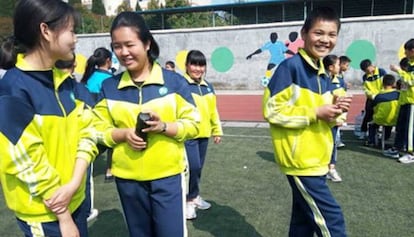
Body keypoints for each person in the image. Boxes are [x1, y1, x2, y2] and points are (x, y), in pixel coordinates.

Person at [92, 12, 200, 237]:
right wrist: (123, 134)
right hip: (128, 181)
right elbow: (96, 130)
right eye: (117, 46)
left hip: (168, 178)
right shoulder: (109, 87)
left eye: (130, 44)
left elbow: (194, 124)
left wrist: (164, 127)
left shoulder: (174, 82)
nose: (124, 52)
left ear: (147, 43)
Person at [0, 0, 99, 236]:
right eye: (71, 31)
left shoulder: (65, 82)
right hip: (45, 213)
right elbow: (25, 159)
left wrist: (75, 184)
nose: (76, 39)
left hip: (75, 200)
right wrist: (63, 216)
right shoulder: (14, 88)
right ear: (45, 31)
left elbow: (88, 132)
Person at [263, 7, 349, 236]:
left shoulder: (323, 72)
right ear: (304, 33)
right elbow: (271, 110)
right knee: (332, 222)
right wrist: (315, 112)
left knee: (302, 223)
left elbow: (326, 115)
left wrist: (337, 112)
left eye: (331, 35)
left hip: (319, 157)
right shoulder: (289, 68)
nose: (325, 40)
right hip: (301, 161)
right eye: (318, 33)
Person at [183, 50, 223, 220]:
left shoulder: (208, 86)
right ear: (186, 66)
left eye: (201, 65)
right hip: (188, 134)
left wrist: (217, 130)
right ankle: (187, 201)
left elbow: (213, 110)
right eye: (194, 64)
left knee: (198, 168)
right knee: (192, 167)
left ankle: (194, 196)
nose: (198, 68)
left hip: (204, 135)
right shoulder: (181, 85)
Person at [80, 47, 114, 181]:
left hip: (88, 116)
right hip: (103, 117)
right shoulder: (109, 80)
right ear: (108, 61)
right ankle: (110, 171)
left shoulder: (89, 77)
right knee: (111, 141)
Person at [389, 39, 414, 163]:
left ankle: (411, 153)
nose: (405, 53)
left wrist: (399, 71)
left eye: (406, 51)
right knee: (401, 126)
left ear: (412, 51)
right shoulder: (410, 64)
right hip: (405, 100)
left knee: (410, 129)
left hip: (412, 101)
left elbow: (411, 81)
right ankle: (397, 148)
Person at [323, 54, 346, 182]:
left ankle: (331, 169)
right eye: (338, 64)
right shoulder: (320, 80)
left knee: (332, 144)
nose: (340, 67)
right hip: (321, 120)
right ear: (331, 67)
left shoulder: (340, 81)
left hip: (334, 121)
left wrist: (341, 118)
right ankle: (321, 167)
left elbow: (343, 100)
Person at [367, 74, 400, 147]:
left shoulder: (378, 96)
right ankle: (385, 137)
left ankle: (371, 141)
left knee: (372, 124)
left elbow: (374, 109)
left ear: (382, 83)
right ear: (394, 83)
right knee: (389, 124)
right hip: (396, 120)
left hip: (381, 119)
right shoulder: (398, 94)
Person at [359, 59, 387, 141]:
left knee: (379, 115)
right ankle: (363, 132)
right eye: (365, 71)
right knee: (368, 115)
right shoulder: (365, 77)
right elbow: (366, 89)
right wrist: (371, 95)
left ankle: (377, 133)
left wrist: (381, 94)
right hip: (371, 98)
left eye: (367, 70)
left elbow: (385, 84)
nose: (367, 72)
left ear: (371, 66)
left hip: (381, 97)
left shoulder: (381, 72)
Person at [335, 55, 352, 148]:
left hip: (341, 99)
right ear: (341, 64)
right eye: (346, 65)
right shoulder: (334, 74)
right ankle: (336, 140)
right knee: (336, 121)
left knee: (338, 121)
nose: (347, 67)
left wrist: (345, 85)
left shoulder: (341, 74)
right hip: (337, 100)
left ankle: (336, 138)